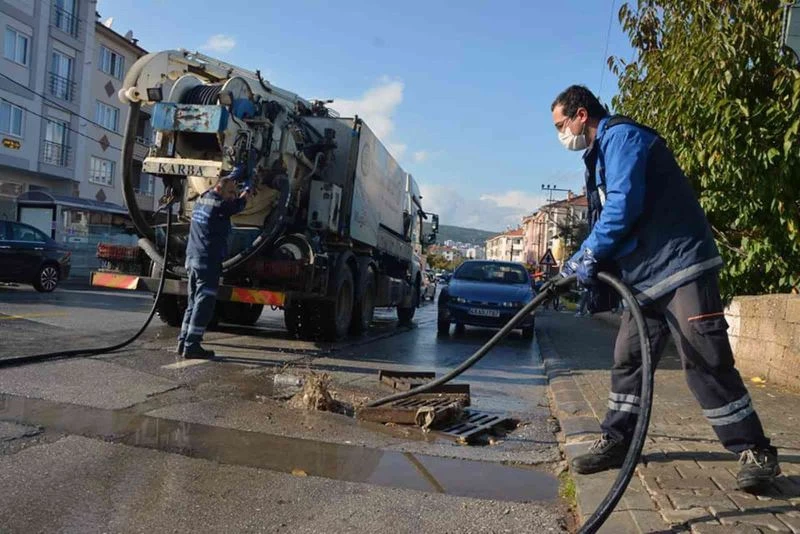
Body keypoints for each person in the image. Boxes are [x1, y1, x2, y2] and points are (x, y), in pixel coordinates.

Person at [551, 85, 779, 492]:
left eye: (560, 125)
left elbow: (623, 206)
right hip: (644, 277)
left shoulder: (622, 138)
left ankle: (756, 451)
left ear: (580, 114)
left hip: (680, 265)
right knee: (628, 358)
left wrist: (586, 254)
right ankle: (619, 440)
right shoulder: (601, 152)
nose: (560, 135)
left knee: (704, 358)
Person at [176, 168, 251, 358]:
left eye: (234, 193)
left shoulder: (202, 199)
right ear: (220, 190)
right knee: (204, 303)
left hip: (192, 258)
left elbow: (225, 185)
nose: (232, 197)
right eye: (230, 193)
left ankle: (183, 341)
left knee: (193, 302)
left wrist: (233, 177)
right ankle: (192, 345)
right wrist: (248, 189)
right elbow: (239, 205)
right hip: (207, 260)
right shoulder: (220, 205)